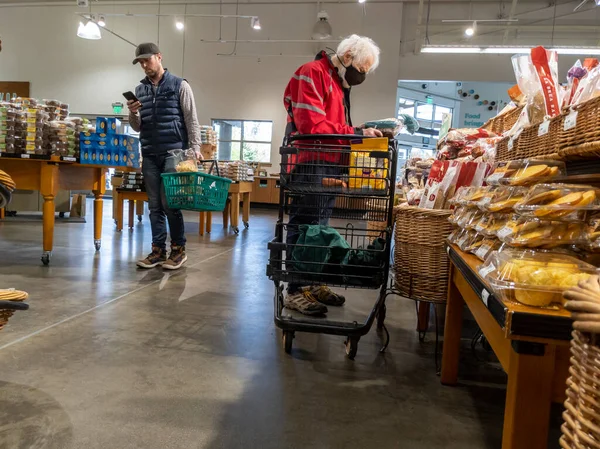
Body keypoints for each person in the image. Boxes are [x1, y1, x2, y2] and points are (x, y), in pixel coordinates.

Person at [282, 34, 383, 316]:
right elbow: (311, 125)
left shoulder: (338, 84)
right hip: (310, 163)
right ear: (348, 56)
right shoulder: (311, 73)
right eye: (361, 69)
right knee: (304, 226)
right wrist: (354, 134)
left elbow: (333, 126)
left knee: (320, 228)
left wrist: (361, 130)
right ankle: (293, 289)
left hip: (329, 163)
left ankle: (312, 282)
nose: (360, 76)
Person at [127, 42, 201, 270]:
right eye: (140, 62)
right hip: (149, 152)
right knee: (154, 205)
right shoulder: (140, 90)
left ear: (159, 57)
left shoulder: (180, 85)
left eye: (147, 60)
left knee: (170, 203)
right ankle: (158, 250)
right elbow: (137, 127)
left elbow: (191, 118)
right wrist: (133, 113)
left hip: (174, 151)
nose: (144, 65)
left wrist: (195, 148)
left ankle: (178, 249)